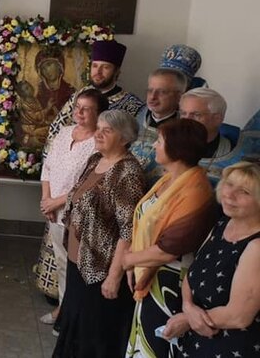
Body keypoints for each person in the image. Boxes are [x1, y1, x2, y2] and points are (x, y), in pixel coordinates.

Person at [52, 110, 145, 358]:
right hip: (78, 260)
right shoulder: (96, 160)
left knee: (93, 332)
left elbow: (128, 230)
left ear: (124, 138)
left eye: (108, 130)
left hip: (99, 267)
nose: (99, 133)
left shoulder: (128, 174)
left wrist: (114, 276)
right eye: (99, 128)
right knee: (74, 323)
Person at [122, 119, 216, 358]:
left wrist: (129, 260)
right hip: (150, 269)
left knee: (156, 344)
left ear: (177, 148)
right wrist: (134, 259)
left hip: (168, 280)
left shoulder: (195, 191)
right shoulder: (168, 179)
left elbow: (169, 248)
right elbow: (144, 222)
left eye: (160, 141)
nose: (154, 145)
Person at [162, 161, 260, 356]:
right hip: (196, 340)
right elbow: (193, 271)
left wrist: (188, 319)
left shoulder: (257, 246)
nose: (229, 194)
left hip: (231, 348)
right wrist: (188, 306)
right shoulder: (223, 222)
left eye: (245, 192)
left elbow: (239, 316)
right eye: (229, 184)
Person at [36, 89, 108, 327]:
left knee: (76, 269)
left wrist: (57, 202)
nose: (79, 112)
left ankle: (70, 319)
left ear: (99, 114)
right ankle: (64, 311)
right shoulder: (65, 132)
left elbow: (89, 184)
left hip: (78, 216)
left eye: (87, 109)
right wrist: (47, 199)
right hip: (54, 213)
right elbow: (48, 167)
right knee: (62, 263)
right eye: (78, 107)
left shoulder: (99, 142)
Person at [45, 40, 144, 156]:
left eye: (105, 67)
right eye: (95, 66)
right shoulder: (79, 95)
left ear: (116, 72)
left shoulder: (132, 105)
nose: (98, 72)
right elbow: (56, 129)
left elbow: (131, 145)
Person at [130, 69, 185, 184]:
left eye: (162, 92)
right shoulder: (134, 115)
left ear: (179, 97)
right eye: (150, 90)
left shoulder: (184, 130)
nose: (152, 97)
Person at [179, 87, 232, 161]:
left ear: (217, 119)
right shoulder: (164, 146)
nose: (186, 119)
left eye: (196, 115)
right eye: (183, 113)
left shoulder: (232, 155)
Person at [34, 47, 75, 114]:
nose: (47, 71)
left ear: (59, 66)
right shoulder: (41, 92)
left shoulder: (69, 91)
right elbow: (36, 116)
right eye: (43, 68)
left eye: (49, 65)